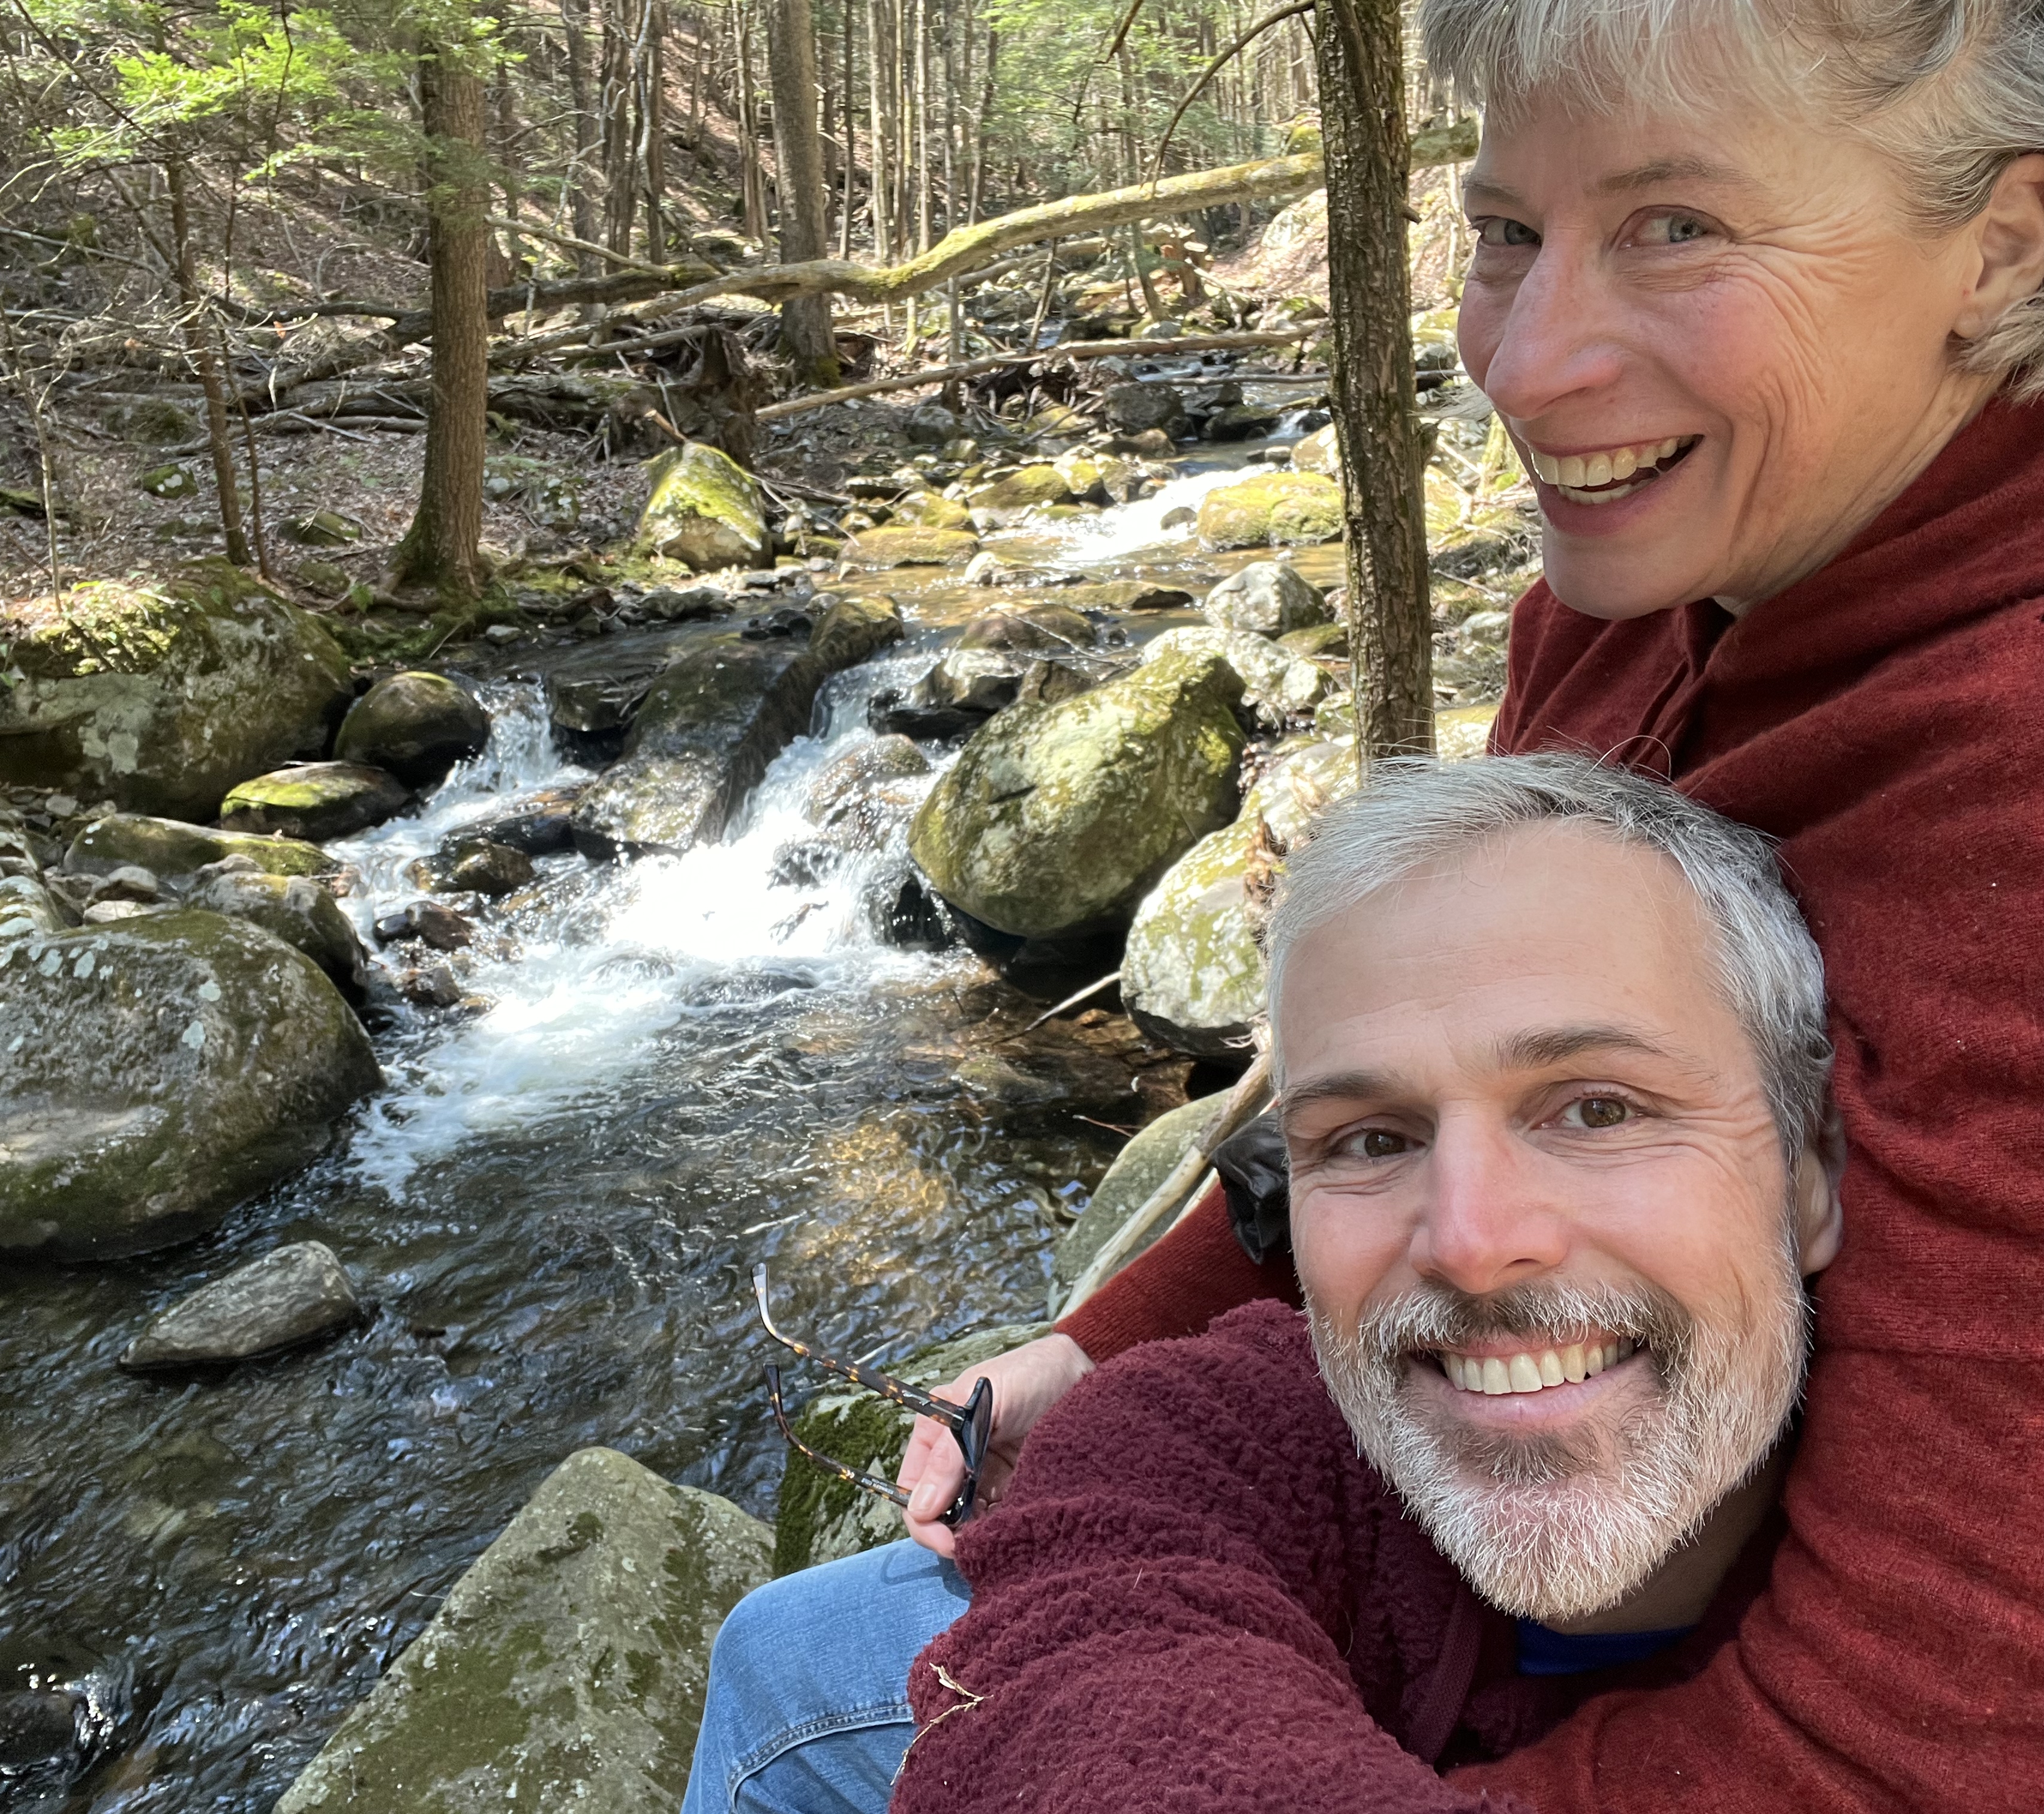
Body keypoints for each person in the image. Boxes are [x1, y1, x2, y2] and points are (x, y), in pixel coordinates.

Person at [685, 0, 2044, 1807]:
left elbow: (1897, 1748)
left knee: (799, 1701)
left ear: (2003, 247)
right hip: (1558, 1525)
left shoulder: (2004, 775)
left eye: (1679, 228)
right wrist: (1102, 1343)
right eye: (1504, 234)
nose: (1527, 360)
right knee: (794, 1647)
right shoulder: (1646, 586)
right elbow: (1417, 1064)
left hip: (1727, 1672)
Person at [887, 754, 1841, 1809]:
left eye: (1599, 1110)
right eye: (1372, 1138)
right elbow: (1079, 1677)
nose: (1472, 1243)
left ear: (1814, 1179)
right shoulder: (1223, 1431)